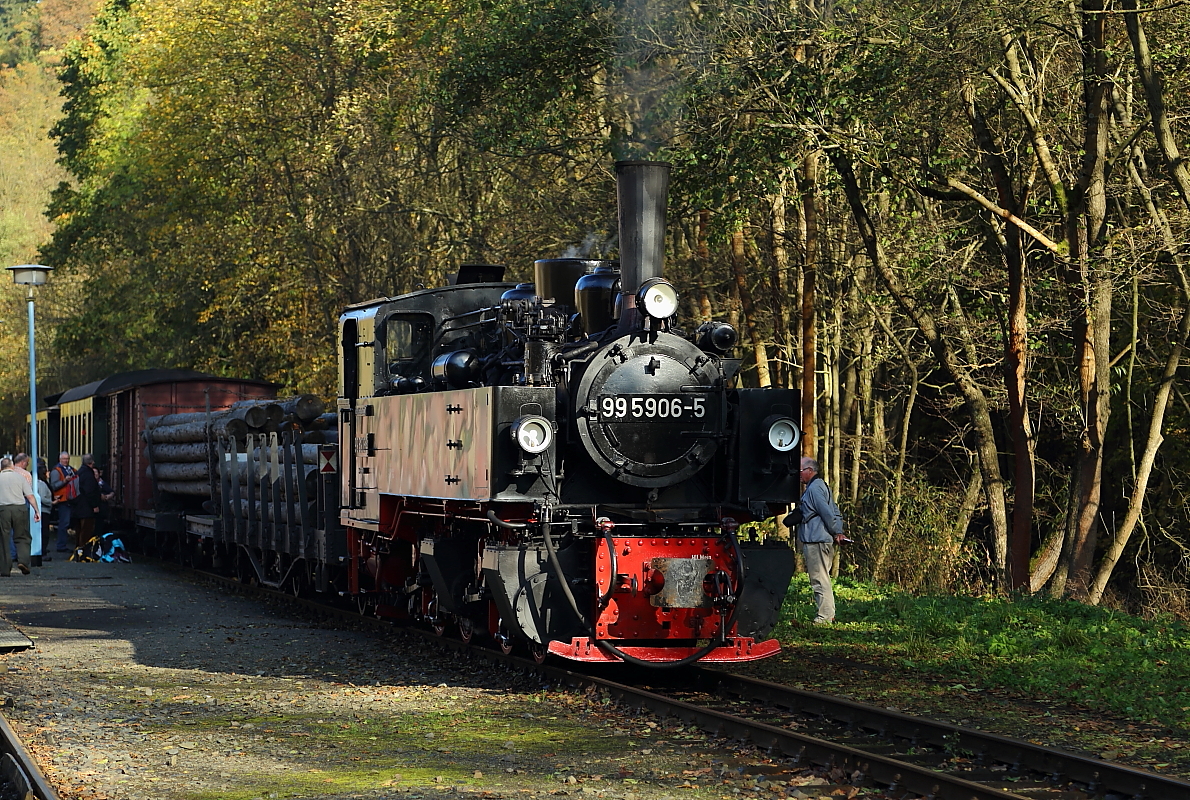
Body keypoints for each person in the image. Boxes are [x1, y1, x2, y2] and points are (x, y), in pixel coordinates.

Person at [784, 457, 845, 625]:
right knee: (821, 577)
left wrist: (837, 532)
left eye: (801, 471)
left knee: (819, 579)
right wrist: (837, 531)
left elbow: (827, 513)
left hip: (817, 540)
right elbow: (835, 511)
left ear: (810, 470)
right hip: (819, 539)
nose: (799, 475)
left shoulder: (814, 489)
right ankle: (827, 614)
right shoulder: (821, 486)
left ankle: (824, 618)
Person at [0, 457, 40, 576]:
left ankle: (5, 569)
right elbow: (30, 496)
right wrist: (37, 511)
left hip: (3, 510)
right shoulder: (20, 477)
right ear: (12, 466)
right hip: (19, 508)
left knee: (3, 539)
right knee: (22, 536)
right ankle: (23, 561)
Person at [49, 452, 79, 553]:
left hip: (72, 499)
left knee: (67, 523)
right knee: (64, 523)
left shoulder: (72, 469)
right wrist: (65, 481)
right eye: (64, 459)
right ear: (60, 459)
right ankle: (61, 546)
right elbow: (53, 486)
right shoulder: (56, 471)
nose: (66, 461)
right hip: (63, 500)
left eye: (67, 459)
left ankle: (64, 544)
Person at [74, 454, 101, 550]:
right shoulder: (88, 474)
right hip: (86, 508)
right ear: (92, 462)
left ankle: (78, 550)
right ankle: (83, 551)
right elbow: (89, 491)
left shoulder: (79, 472)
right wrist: (94, 505)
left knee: (79, 530)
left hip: (78, 506)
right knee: (86, 530)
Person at [36, 460, 53, 562]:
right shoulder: (41, 484)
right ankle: (42, 552)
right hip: (44, 510)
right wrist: (52, 502)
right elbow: (41, 498)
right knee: (44, 533)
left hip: (43, 510)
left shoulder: (40, 483)